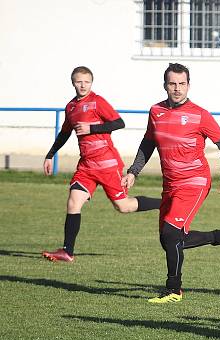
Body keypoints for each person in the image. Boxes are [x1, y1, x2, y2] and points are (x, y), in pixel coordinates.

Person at [121, 63, 220, 304]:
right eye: (172, 84)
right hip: (170, 184)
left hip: (195, 181)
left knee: (172, 234)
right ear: (165, 85)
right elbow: (148, 143)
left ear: (189, 85)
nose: (177, 89)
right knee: (169, 240)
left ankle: (173, 290)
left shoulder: (199, 114)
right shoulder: (155, 111)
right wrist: (134, 171)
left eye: (182, 84)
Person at [41, 66, 161, 262]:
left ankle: (164, 203)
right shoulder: (71, 107)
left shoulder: (97, 101)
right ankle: (67, 251)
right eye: (79, 81)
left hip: (107, 164)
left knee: (123, 206)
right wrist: (50, 154)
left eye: (86, 82)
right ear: (73, 82)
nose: (83, 85)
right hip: (86, 166)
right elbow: (64, 133)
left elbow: (119, 123)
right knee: (73, 202)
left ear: (91, 83)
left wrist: (91, 128)